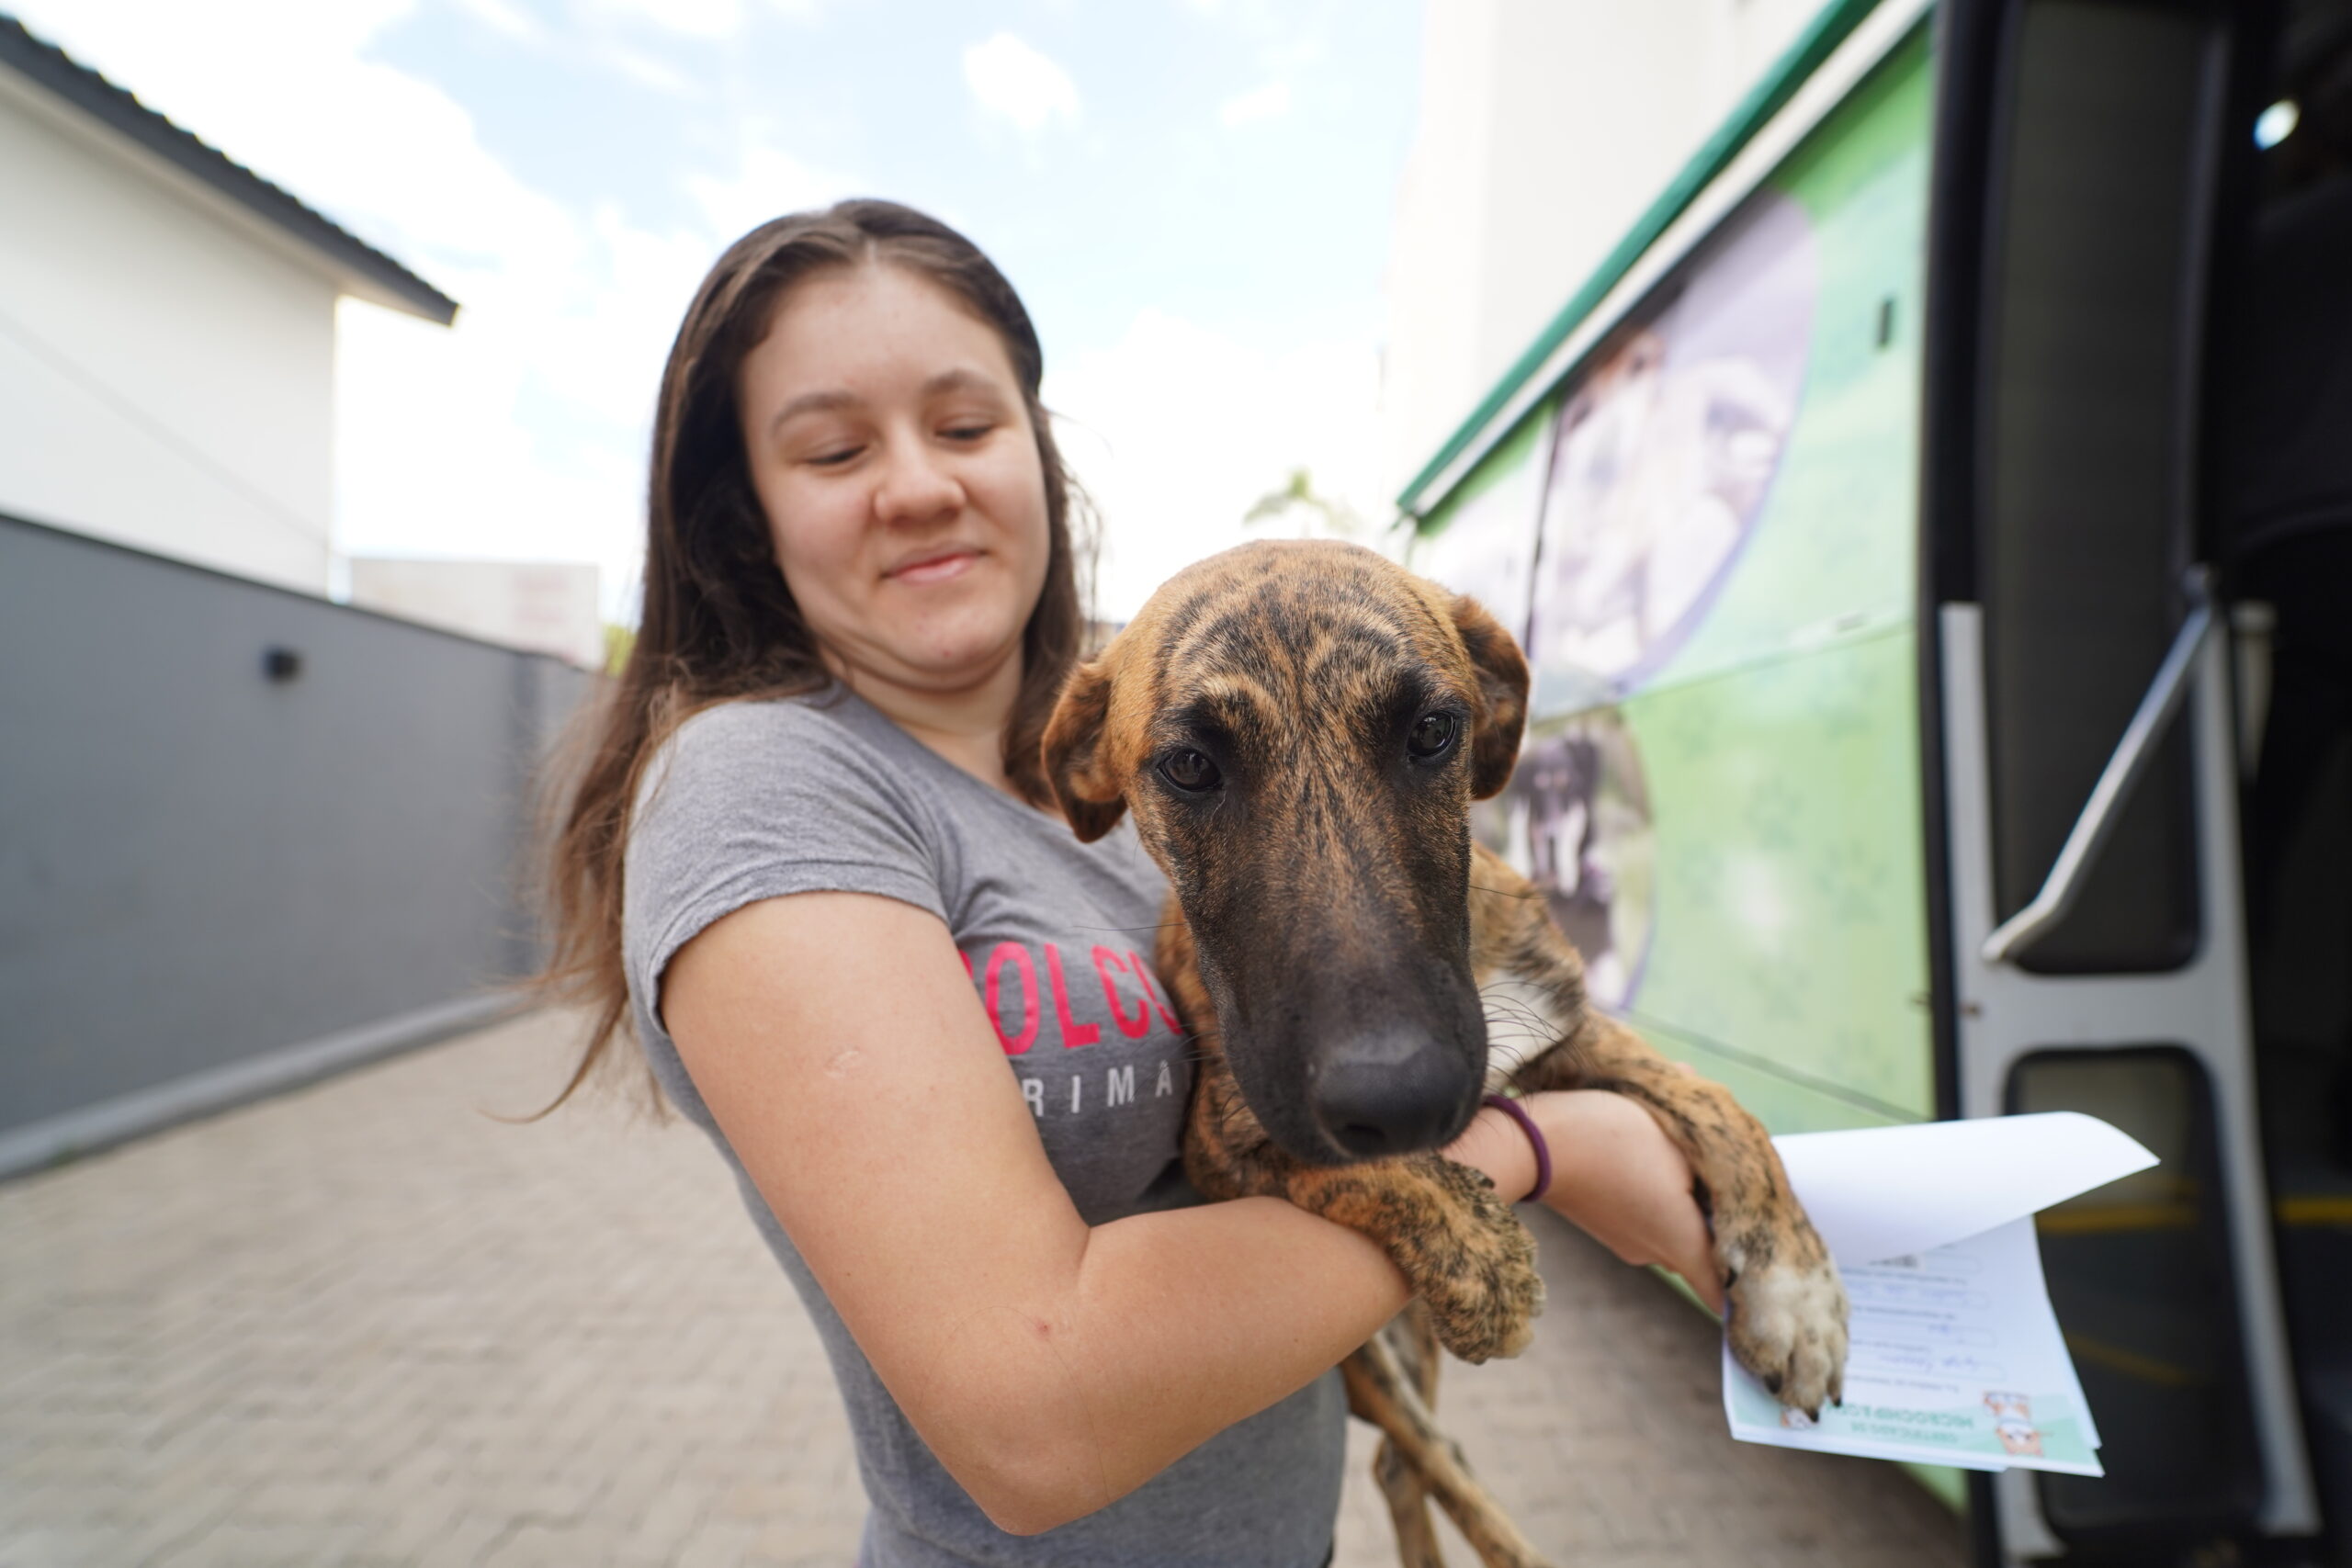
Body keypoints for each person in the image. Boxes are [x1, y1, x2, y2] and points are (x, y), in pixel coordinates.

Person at [540, 198, 1724, 1568]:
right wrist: (1542, 1153)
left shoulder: (1125, 756)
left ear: (1036, 457)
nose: (918, 482)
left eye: (966, 425)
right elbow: (1033, 1411)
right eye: (834, 448)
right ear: (747, 518)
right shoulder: (765, 786)